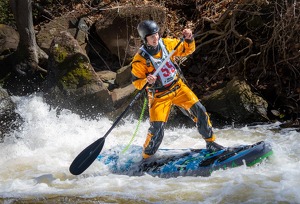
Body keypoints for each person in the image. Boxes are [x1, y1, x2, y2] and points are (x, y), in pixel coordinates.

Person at [131, 20, 224, 160]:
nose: (155, 38)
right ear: (145, 39)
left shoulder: (167, 44)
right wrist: (146, 81)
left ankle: (210, 143)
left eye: (156, 34)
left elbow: (188, 49)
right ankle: (146, 157)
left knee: (200, 110)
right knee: (157, 130)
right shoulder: (139, 60)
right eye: (151, 37)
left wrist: (189, 39)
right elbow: (137, 83)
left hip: (178, 87)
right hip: (159, 96)